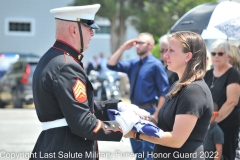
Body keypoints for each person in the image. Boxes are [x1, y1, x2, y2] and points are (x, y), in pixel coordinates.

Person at [30, 4, 149, 160]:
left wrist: (117, 106)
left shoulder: (55, 58)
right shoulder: (67, 66)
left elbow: (76, 107)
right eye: (88, 28)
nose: (92, 33)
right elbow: (84, 124)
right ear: (73, 30)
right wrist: (121, 124)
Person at [124, 31, 214, 159]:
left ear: (188, 56)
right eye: (165, 50)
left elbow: (176, 140)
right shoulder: (178, 86)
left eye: (171, 50)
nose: (165, 55)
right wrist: (141, 120)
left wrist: (136, 134)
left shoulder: (194, 90)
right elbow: (165, 126)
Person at [107, 32, 170, 160]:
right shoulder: (134, 63)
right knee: (137, 152)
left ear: (151, 45)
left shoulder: (156, 65)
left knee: (148, 152)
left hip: (149, 112)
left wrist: (155, 116)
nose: (137, 46)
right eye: (136, 43)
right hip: (133, 112)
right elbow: (111, 65)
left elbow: (164, 92)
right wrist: (123, 47)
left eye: (141, 43)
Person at [204, 39, 240, 160]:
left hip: (227, 125)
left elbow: (232, 102)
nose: (216, 56)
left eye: (220, 53)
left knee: (225, 156)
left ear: (227, 56)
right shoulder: (208, 74)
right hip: (209, 124)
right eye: (213, 53)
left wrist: (214, 120)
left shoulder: (233, 73)